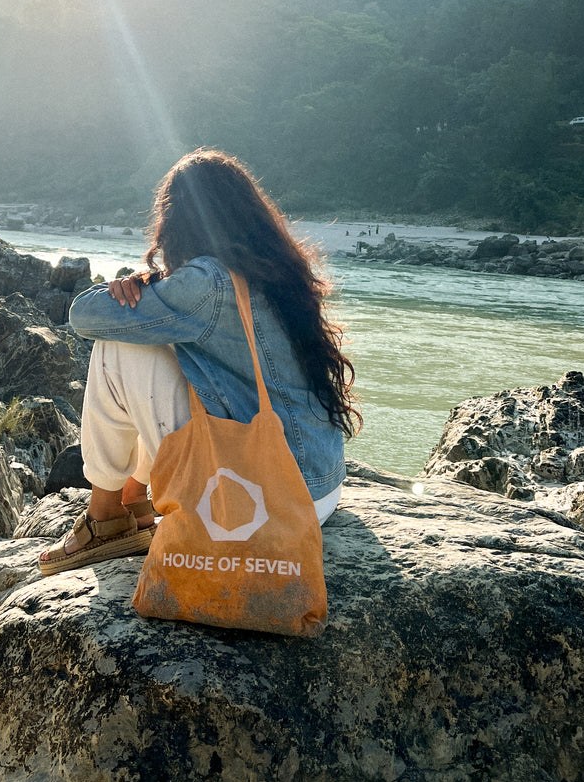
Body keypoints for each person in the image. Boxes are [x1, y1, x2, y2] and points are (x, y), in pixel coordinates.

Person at [38, 149, 362, 575]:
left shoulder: (207, 282)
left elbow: (85, 316)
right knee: (165, 343)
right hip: (323, 488)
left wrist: (139, 284)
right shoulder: (277, 269)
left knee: (118, 346)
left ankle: (105, 518)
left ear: (178, 221)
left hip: (272, 500)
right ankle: (134, 502)